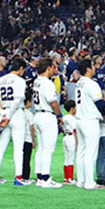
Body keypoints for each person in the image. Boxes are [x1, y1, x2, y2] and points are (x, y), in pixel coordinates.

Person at [0, 57, 29, 186]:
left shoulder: (1, 79)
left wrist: (2, 113)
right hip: (16, 113)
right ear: (20, 68)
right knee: (18, 148)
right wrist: (9, 115)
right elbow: (17, 100)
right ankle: (18, 177)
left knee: (1, 146)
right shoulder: (20, 81)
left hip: (3, 112)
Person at [75, 58, 105, 190]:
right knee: (90, 152)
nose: (95, 67)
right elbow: (100, 103)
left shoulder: (79, 82)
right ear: (88, 69)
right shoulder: (91, 83)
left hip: (79, 119)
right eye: (93, 65)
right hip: (89, 120)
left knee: (81, 151)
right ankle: (89, 182)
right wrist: (104, 113)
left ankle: (81, 181)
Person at [33, 58, 63, 188]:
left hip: (38, 114)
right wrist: (59, 115)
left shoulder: (37, 81)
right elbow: (54, 103)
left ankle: (40, 177)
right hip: (47, 115)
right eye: (53, 66)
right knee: (48, 149)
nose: (55, 69)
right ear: (48, 68)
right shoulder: (47, 83)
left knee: (41, 148)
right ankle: (45, 178)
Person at [20, 90, 36, 185]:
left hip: (20, 139)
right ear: (28, 101)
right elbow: (31, 127)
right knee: (27, 159)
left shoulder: (19, 113)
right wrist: (33, 140)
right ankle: (26, 177)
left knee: (21, 158)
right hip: (28, 139)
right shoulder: (29, 114)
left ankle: (20, 175)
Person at [61, 100, 77, 185]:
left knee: (66, 158)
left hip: (65, 136)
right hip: (71, 137)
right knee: (71, 158)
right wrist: (77, 142)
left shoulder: (64, 117)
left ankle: (66, 178)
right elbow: (75, 130)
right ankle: (70, 178)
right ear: (72, 108)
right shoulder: (72, 118)